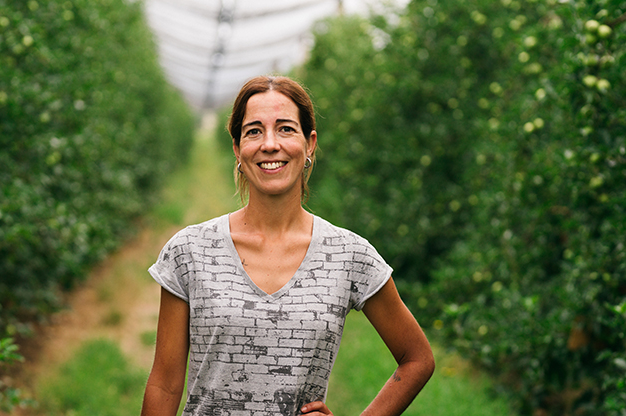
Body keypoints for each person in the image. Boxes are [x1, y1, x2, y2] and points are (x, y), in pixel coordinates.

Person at [141, 75, 434, 415]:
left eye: (285, 129)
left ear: (309, 144)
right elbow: (164, 382)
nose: (269, 144)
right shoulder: (189, 251)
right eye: (254, 131)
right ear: (237, 149)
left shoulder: (350, 255)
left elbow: (417, 359)